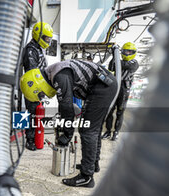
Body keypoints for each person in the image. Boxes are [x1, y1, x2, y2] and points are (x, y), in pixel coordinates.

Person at [20, 60, 118, 188]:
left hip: (103, 86)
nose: (43, 96)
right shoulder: (56, 73)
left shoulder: (59, 75)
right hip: (104, 85)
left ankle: (86, 177)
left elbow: (66, 107)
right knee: (94, 128)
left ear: (37, 84)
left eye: (40, 94)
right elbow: (64, 104)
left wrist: (67, 135)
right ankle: (93, 165)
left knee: (87, 130)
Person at [22, 22, 53, 151]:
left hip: (39, 87)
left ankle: (36, 138)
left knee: (37, 114)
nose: (48, 41)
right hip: (32, 87)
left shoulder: (38, 48)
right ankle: (29, 140)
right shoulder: (30, 50)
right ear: (38, 35)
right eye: (46, 38)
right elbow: (32, 72)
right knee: (31, 114)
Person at [102, 42, 139, 141]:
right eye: (125, 51)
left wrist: (116, 56)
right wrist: (114, 54)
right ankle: (108, 132)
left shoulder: (134, 63)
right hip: (115, 87)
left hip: (124, 90)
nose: (127, 53)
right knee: (109, 111)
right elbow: (111, 67)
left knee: (120, 112)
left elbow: (124, 65)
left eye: (129, 51)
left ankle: (116, 133)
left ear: (133, 53)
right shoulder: (118, 61)